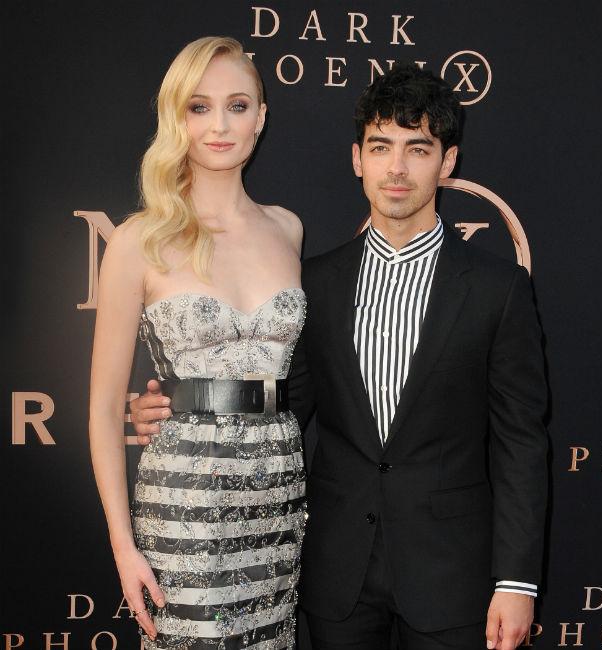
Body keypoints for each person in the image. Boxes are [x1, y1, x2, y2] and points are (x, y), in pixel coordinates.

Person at [131, 65, 548, 650]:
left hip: (453, 576)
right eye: (380, 147)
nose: (397, 168)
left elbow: (521, 442)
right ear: (357, 159)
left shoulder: (497, 289)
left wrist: (516, 581)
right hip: (336, 576)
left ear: (447, 162)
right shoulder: (317, 283)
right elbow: (282, 402)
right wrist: (179, 404)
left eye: (417, 149)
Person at [89, 36, 307, 650]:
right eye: (199, 107)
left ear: (260, 117)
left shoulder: (287, 229)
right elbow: (103, 409)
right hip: (184, 497)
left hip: (278, 492)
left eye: (237, 106)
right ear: (175, 117)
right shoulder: (138, 241)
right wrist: (123, 545)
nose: (220, 126)